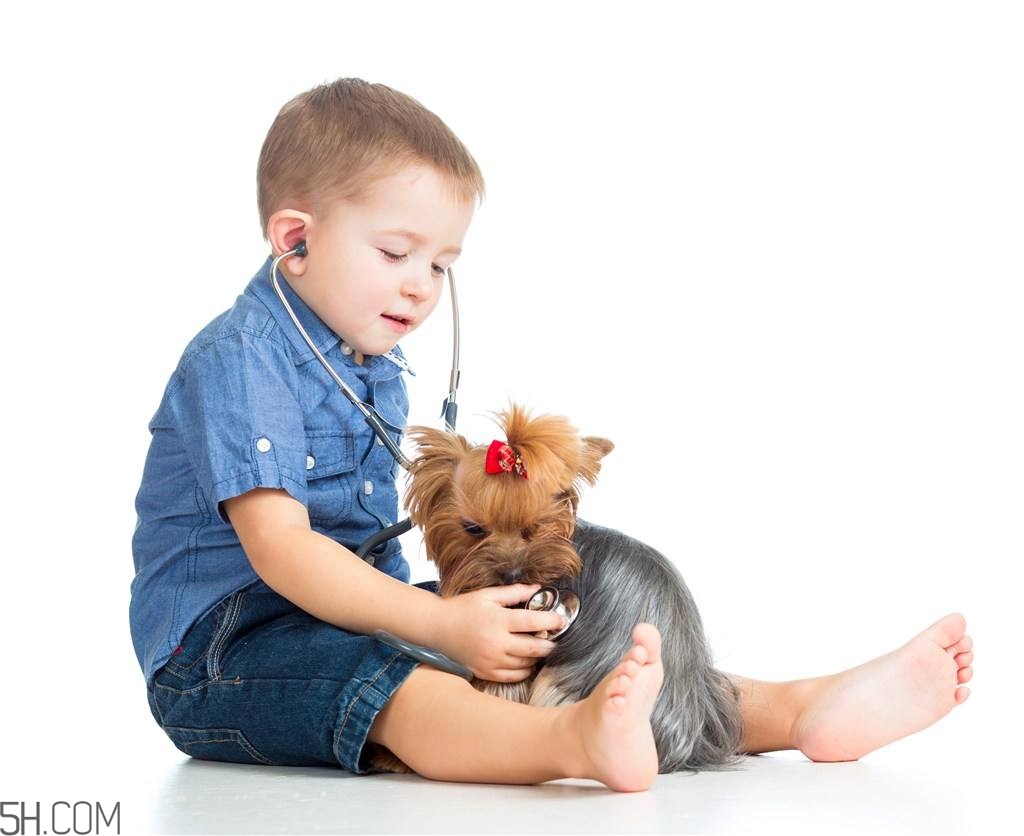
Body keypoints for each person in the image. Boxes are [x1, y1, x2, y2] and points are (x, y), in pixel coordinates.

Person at [130, 77, 973, 793]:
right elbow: (286, 554)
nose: (421, 286)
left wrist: (466, 620)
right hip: (223, 655)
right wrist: (437, 628)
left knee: (547, 636)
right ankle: (571, 742)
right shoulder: (244, 361)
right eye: (396, 252)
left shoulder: (366, 358)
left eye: (441, 266)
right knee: (397, 688)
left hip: (355, 616)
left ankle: (794, 708)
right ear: (296, 239)